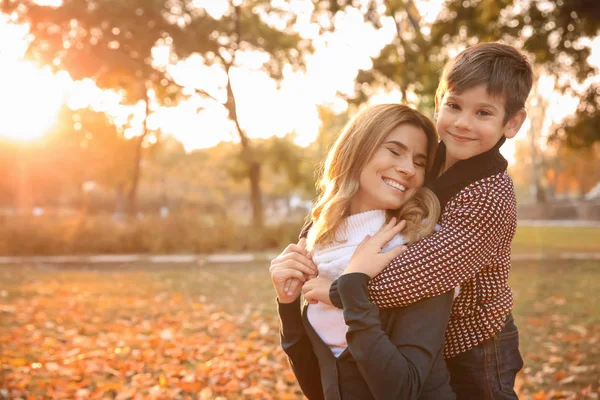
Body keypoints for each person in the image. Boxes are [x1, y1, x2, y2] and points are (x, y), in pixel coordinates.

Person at [310, 42, 533, 399]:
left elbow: (424, 271)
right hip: (426, 332)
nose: (462, 123)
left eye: (484, 113)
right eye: (454, 106)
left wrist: (340, 292)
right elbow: (363, 204)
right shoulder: (423, 160)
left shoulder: (490, 195)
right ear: (438, 102)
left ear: (513, 122)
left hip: (476, 339)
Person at [270, 104, 456, 400]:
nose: (408, 169)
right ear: (357, 150)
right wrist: (288, 304)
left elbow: (402, 390)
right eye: (395, 151)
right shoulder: (321, 246)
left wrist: (353, 283)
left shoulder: (421, 251)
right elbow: (320, 389)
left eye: (419, 162)